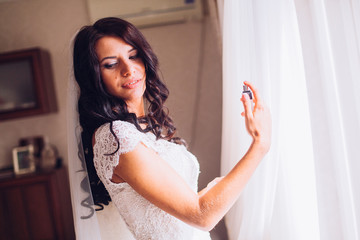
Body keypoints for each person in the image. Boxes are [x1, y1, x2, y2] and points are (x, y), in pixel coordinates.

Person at [72, 17, 271, 240]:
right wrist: (260, 145)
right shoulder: (116, 136)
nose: (128, 69)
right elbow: (202, 216)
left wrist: (217, 187)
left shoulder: (144, 127)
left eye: (133, 55)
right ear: (94, 76)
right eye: (110, 64)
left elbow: (181, 209)